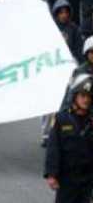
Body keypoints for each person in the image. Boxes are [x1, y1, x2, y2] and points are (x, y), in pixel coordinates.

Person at [44, 74, 93, 203]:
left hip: (88, 178)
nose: (86, 100)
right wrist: (51, 174)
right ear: (74, 96)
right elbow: (53, 148)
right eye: (82, 96)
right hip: (67, 178)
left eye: (89, 97)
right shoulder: (61, 119)